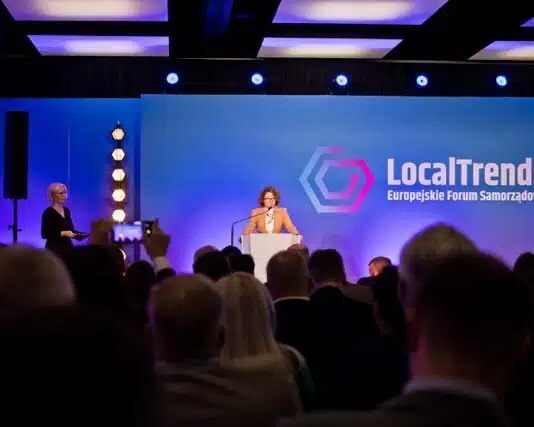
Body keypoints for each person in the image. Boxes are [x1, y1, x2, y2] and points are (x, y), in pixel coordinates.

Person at [41, 183, 77, 257]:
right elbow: (44, 234)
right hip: (54, 250)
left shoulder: (67, 211)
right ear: (53, 195)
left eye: (65, 192)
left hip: (68, 248)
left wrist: (79, 235)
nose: (64, 195)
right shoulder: (48, 212)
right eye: (61, 193)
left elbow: (70, 228)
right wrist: (63, 233)